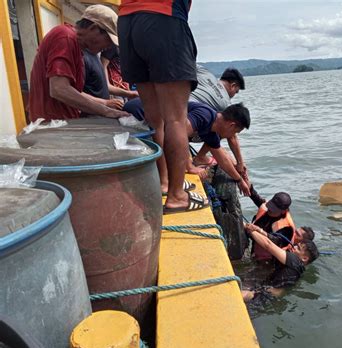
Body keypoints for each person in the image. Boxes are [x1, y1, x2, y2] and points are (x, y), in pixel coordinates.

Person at [118, 0, 206, 213]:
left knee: (155, 118)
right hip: (163, 16)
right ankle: (177, 196)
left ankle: (165, 183)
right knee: (175, 118)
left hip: (127, 22)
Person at [122, 66, 248, 179]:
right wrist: (190, 167)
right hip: (145, 114)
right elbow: (178, 133)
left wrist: (239, 179)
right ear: (233, 85)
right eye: (236, 92)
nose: (233, 95)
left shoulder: (205, 73)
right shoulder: (220, 107)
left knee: (208, 132)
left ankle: (198, 158)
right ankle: (192, 163)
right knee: (181, 135)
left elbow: (182, 67)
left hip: (150, 104)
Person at [28, 5, 124, 121]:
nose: (108, 47)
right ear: (93, 28)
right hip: (52, 124)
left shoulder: (78, 48)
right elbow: (59, 89)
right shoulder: (65, 37)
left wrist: (105, 104)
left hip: (63, 122)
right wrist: (106, 111)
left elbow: (73, 92)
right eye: (108, 40)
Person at [242, 222, 319, 301]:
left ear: (305, 258)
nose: (294, 247)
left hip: (263, 294)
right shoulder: (299, 268)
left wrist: (249, 230)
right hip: (270, 294)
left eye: (298, 248)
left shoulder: (294, 260)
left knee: (239, 296)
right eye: (296, 245)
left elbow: (268, 245)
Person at [247, 189, 296, 261]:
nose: (269, 209)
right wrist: (248, 186)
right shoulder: (266, 208)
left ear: (283, 211)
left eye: (273, 209)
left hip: (270, 260)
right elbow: (256, 197)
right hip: (256, 251)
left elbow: (276, 241)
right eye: (270, 206)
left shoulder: (287, 228)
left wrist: (259, 230)